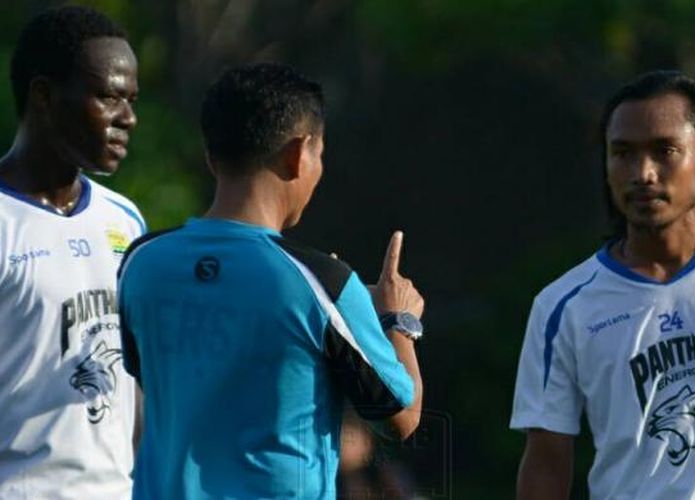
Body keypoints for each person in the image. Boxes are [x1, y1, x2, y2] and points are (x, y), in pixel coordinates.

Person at [117, 62, 424, 499]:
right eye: (321, 153)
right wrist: (398, 321)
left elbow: (155, 382)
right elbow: (402, 417)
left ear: (210, 155)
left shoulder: (141, 263)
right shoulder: (321, 282)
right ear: (299, 153)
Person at [511, 70, 695, 499]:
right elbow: (546, 462)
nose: (643, 173)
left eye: (665, 151)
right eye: (623, 153)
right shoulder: (562, 308)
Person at [0, 5, 143, 499]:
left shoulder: (124, 220)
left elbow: (133, 379)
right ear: (43, 95)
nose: (128, 118)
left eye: (132, 100)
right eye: (108, 97)